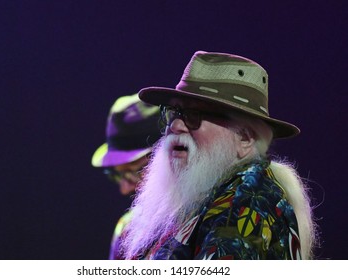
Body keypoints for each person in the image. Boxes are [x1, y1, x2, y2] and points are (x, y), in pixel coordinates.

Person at [121, 51, 317, 260]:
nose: (176, 126)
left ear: (244, 138)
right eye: (174, 112)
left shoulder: (248, 200)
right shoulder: (199, 198)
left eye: (194, 116)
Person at [91, 93, 161, 259]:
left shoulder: (215, 215)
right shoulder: (127, 229)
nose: (124, 189)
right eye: (116, 174)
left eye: (136, 171)